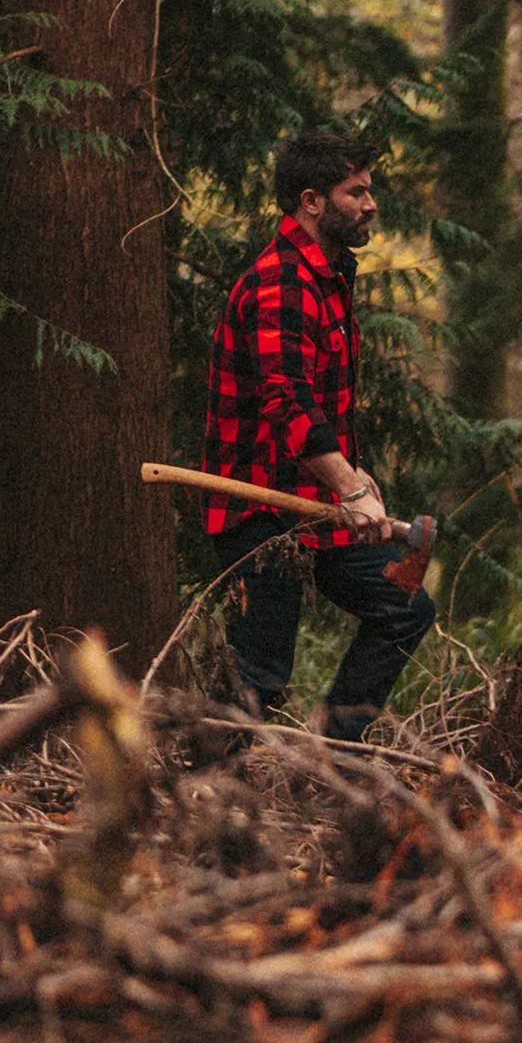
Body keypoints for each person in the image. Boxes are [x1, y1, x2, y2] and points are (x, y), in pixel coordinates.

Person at [201, 130, 436, 741]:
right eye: (355, 191)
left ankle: (337, 757)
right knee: (258, 677)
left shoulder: (327, 277)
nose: (370, 203)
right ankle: (199, 804)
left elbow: (319, 404)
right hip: (260, 510)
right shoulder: (281, 280)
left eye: (369, 190)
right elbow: (287, 399)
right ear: (311, 201)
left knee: (402, 606)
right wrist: (351, 488)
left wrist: (353, 483)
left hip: (315, 506)